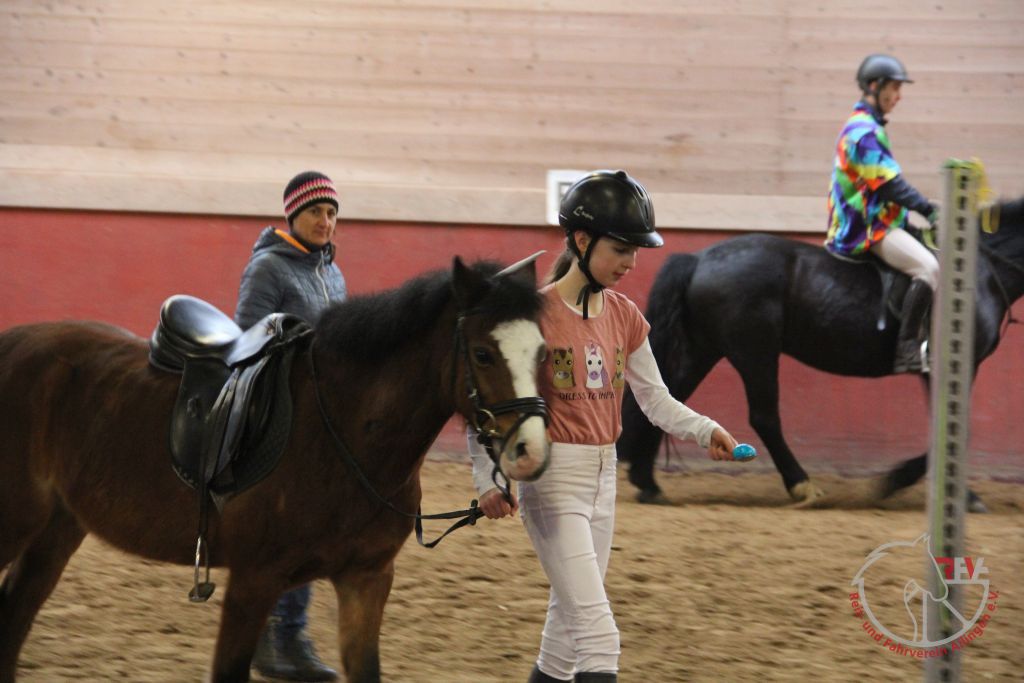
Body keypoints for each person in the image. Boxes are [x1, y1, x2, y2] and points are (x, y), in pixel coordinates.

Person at [468, 170, 745, 683]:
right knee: (598, 635)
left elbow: (655, 399)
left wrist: (706, 430)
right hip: (553, 480)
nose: (631, 262)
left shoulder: (625, 315)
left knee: (564, 635)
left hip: (604, 478)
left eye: (635, 250)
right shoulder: (534, 317)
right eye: (620, 249)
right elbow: (487, 404)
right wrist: (487, 479)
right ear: (581, 240)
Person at [235, 170, 346, 682]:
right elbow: (246, 337)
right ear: (293, 215)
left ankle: (291, 635)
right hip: (280, 414)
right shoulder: (268, 268)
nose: (325, 221)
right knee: (287, 531)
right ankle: (266, 631)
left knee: (312, 531)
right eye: (315, 212)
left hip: (320, 420)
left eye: (331, 213)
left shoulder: (332, 271)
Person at [824, 53, 940, 373]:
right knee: (929, 268)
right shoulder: (863, 132)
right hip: (864, 226)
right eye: (894, 88)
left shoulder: (869, 126)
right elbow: (890, 185)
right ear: (874, 86)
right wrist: (928, 210)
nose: (898, 97)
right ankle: (907, 348)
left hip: (881, 219)